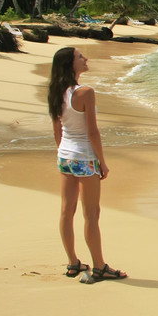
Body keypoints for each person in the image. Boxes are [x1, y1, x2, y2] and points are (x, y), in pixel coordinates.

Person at [48, 47, 127, 283]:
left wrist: (64, 152)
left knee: (66, 210)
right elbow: (93, 132)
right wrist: (101, 162)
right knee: (91, 213)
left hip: (65, 156)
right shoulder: (85, 92)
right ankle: (100, 266)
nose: (85, 59)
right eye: (80, 56)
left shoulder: (55, 91)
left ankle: (72, 263)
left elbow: (57, 130)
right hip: (84, 157)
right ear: (71, 64)